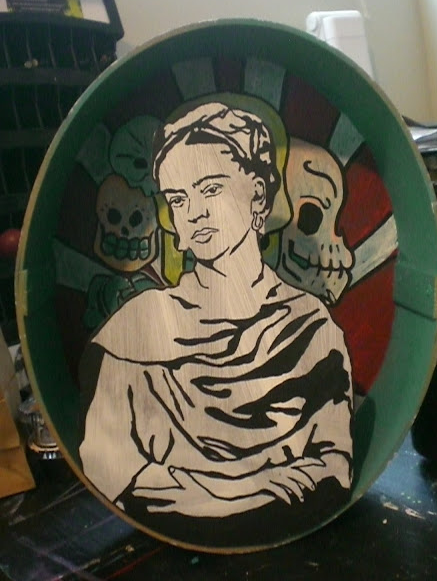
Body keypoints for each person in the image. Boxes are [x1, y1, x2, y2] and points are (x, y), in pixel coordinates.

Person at [79, 101, 353, 525]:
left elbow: (333, 464)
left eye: (210, 189)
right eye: (178, 198)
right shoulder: (136, 329)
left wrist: (204, 492)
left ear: (257, 194)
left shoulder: (311, 328)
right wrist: (243, 489)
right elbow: (111, 465)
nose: (195, 212)